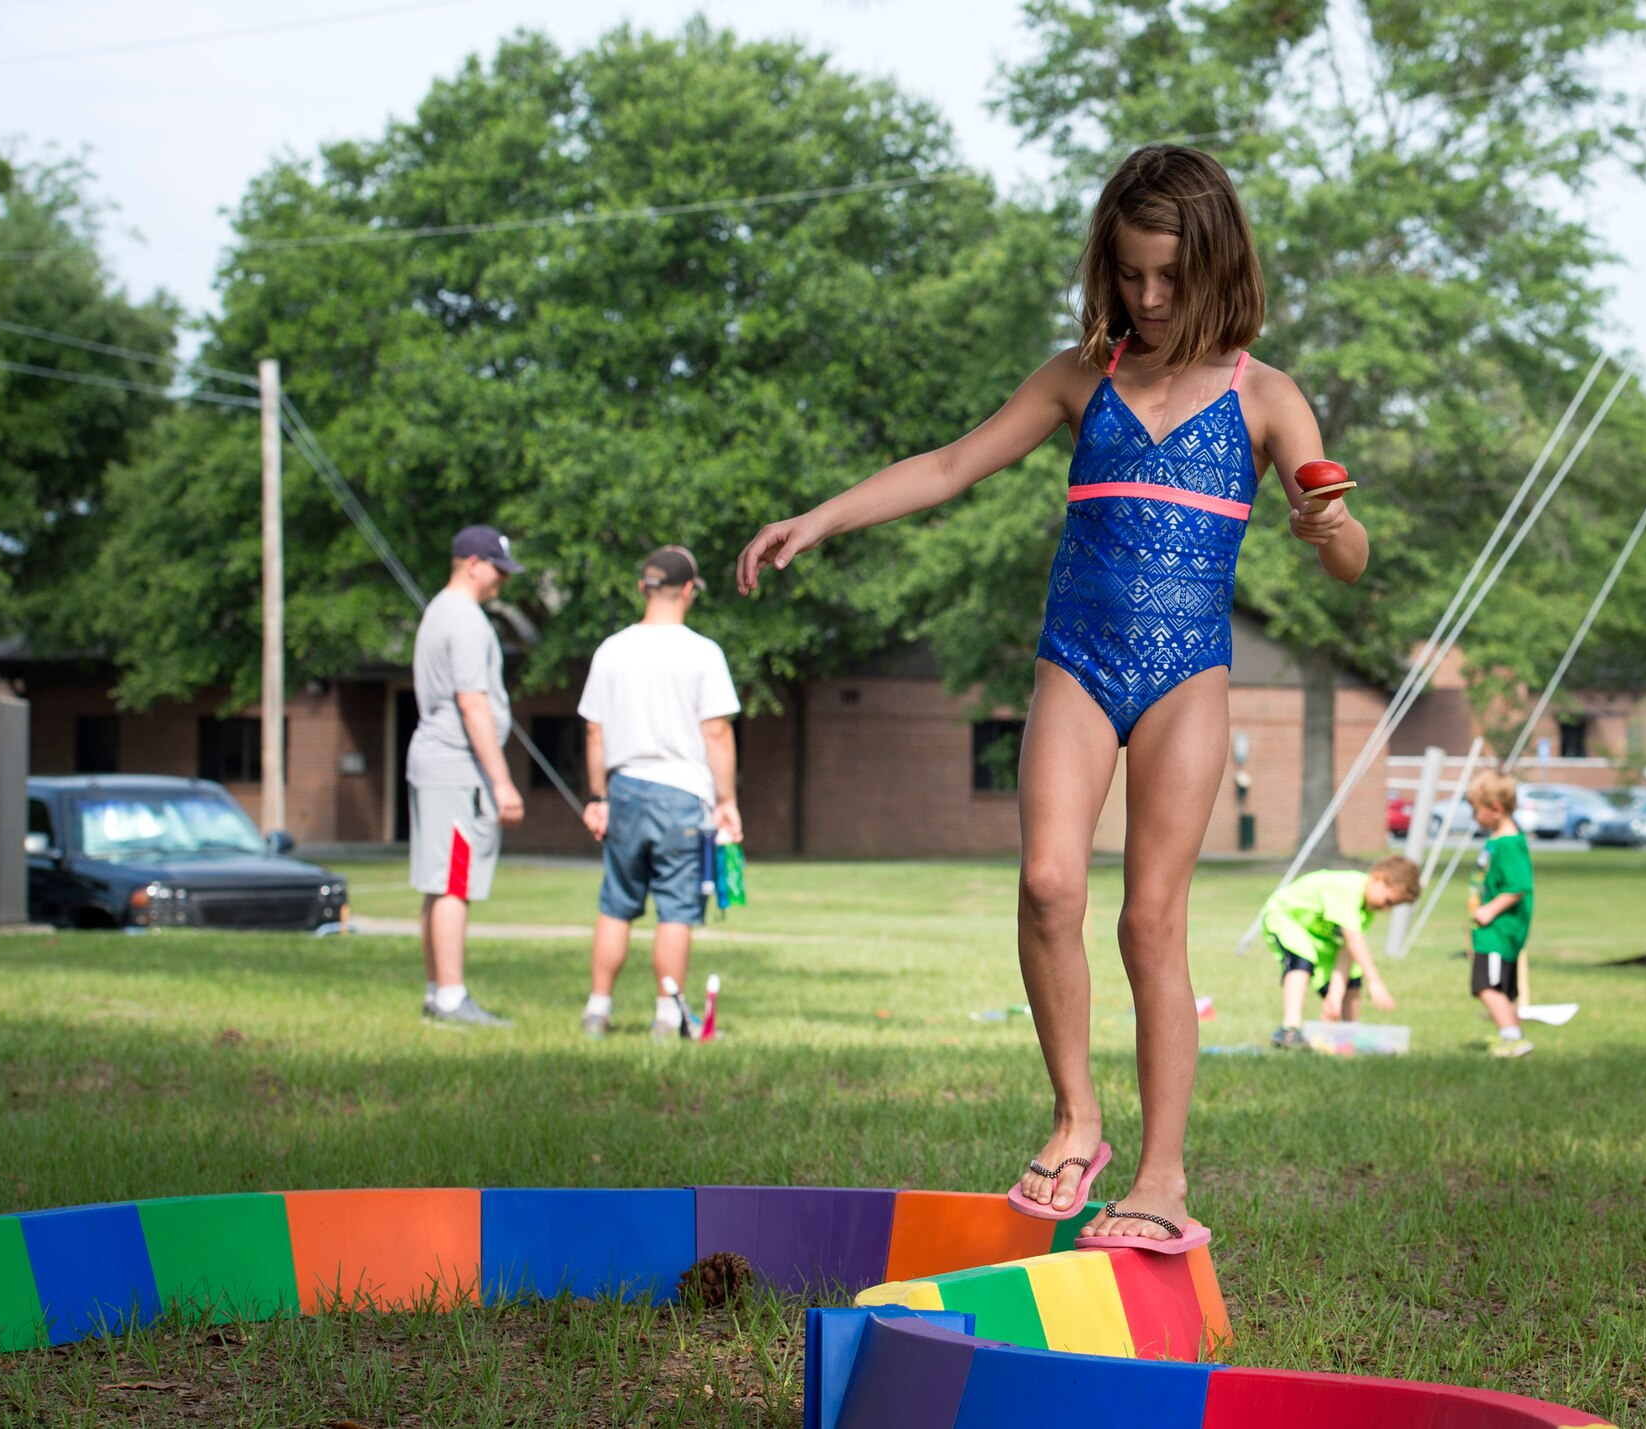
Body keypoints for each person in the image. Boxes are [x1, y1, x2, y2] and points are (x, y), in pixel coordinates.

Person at [737, 146, 1369, 1251]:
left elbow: (1347, 552)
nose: (1148, 297)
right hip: (1074, 658)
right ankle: (1077, 1117)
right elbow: (945, 465)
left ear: (1217, 263)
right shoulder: (1080, 378)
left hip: (1188, 675)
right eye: (1129, 275)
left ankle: (1162, 1177)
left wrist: (1329, 530)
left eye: (1169, 275)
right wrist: (820, 517)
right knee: (1043, 885)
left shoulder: (1264, 397)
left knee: (1149, 917)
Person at [577, 546, 742, 1039]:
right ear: (689, 590)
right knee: (676, 908)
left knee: (616, 903)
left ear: (642, 588)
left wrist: (598, 797)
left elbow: (594, 732)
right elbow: (716, 733)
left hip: (624, 789)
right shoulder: (702, 653)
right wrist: (726, 800)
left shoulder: (611, 649)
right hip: (683, 796)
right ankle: (668, 1015)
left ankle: (597, 1009)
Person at [408, 524, 526, 1027]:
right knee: (454, 881)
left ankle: (439, 992)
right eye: (497, 570)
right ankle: (452, 998)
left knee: (439, 883)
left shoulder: (439, 610)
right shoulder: (466, 620)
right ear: (473, 564)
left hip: (437, 765)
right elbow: (473, 703)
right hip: (456, 769)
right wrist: (501, 781)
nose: (502, 581)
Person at [1260, 857, 1418, 1049]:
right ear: (1377, 879)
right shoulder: (1347, 888)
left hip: (1318, 936)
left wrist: (1334, 995)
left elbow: (1346, 953)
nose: (1385, 909)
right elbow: (1354, 939)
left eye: (1391, 907)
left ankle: (1348, 1034)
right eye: (1388, 901)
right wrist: (1375, 981)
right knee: (1303, 955)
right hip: (1286, 917)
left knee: (1353, 974)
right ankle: (1290, 1029)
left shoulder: (1365, 912)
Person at [1466, 771, 1535, 1057]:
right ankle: (1511, 1037)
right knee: (1504, 989)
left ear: (1495, 809)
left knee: (1485, 985)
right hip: (1492, 931)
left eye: (1475, 809)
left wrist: (1489, 911)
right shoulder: (1498, 839)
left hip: (1498, 930)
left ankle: (1513, 1037)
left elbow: (1518, 886)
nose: (1473, 816)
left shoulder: (1508, 845)